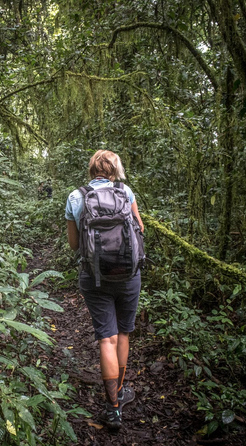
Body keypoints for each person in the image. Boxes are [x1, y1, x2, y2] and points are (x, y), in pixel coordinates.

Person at [65, 150, 145, 430]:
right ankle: (121, 393)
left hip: (94, 277)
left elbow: (75, 245)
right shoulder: (126, 191)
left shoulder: (77, 197)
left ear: (92, 170)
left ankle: (112, 411)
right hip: (128, 276)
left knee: (106, 339)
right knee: (123, 333)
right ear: (115, 170)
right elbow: (140, 228)